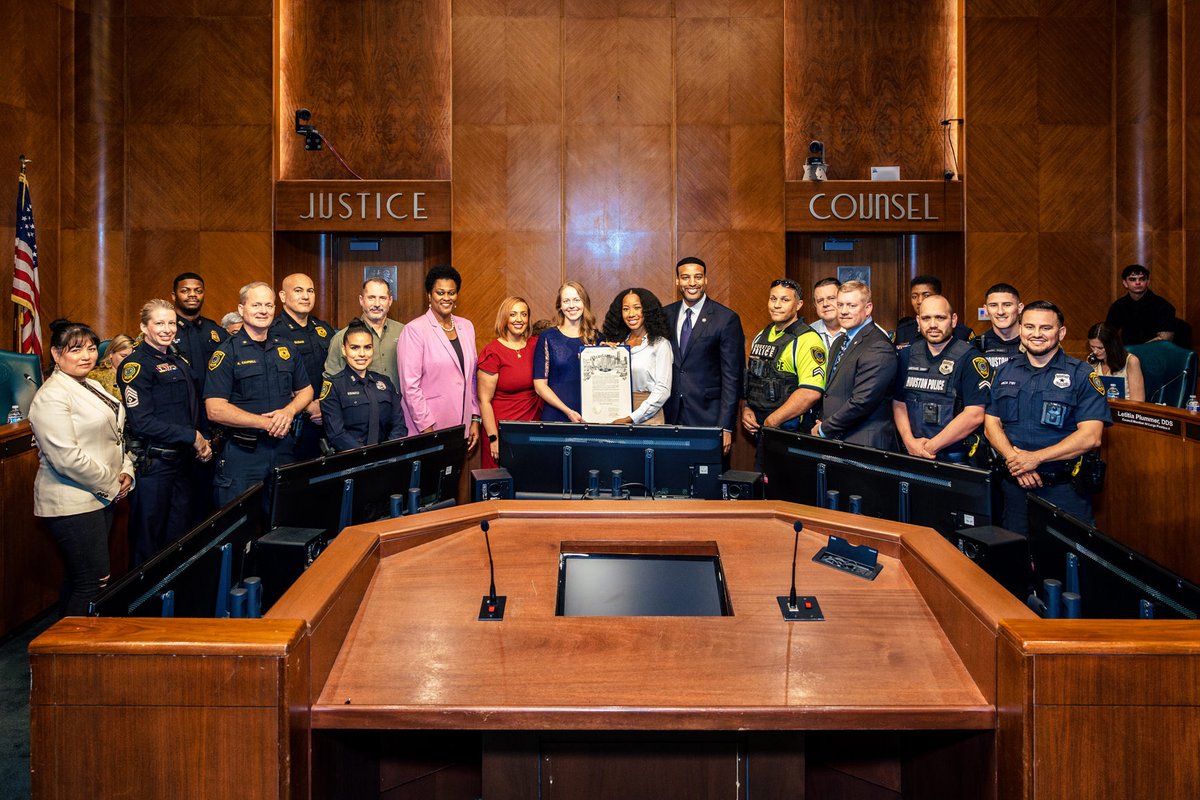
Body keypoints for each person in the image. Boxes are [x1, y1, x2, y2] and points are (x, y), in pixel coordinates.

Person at [28, 319, 135, 615]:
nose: (86, 356)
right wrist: (113, 482)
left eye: (90, 348)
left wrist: (127, 470)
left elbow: (115, 435)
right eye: (75, 350)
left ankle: (61, 651)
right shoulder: (50, 396)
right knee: (93, 582)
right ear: (56, 354)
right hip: (72, 502)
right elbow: (67, 458)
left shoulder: (92, 384)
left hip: (98, 497)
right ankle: (73, 656)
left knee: (81, 580)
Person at [984, 301, 1111, 534]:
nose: (1036, 334)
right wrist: (1017, 462)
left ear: (1061, 332)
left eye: (1045, 328)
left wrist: (1035, 459)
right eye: (1030, 327)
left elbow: (1091, 437)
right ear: (1021, 329)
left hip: (1065, 491)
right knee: (1014, 560)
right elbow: (991, 424)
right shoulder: (1004, 371)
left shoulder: (1082, 375)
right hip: (1014, 487)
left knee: (1067, 565)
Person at [204, 282, 313, 507]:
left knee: (283, 523)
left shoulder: (287, 348)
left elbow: (306, 390)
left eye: (268, 305)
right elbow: (215, 409)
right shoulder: (226, 352)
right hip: (244, 453)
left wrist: (289, 411)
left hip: (284, 450)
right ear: (242, 309)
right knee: (238, 528)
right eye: (256, 305)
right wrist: (264, 423)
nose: (263, 311)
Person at [120, 300, 212, 566]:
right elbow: (142, 423)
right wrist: (192, 437)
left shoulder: (177, 359)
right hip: (155, 467)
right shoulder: (135, 365)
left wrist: (203, 438)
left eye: (171, 323)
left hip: (183, 464)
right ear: (143, 327)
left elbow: (193, 404)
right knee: (147, 546)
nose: (167, 329)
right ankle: (140, 607)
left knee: (178, 541)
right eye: (159, 323)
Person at [893, 296, 992, 462]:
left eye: (940, 317)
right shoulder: (906, 355)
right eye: (926, 318)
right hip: (912, 453)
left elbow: (974, 414)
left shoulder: (970, 358)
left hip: (955, 459)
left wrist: (930, 447)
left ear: (953, 320)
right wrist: (909, 441)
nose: (933, 325)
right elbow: (899, 402)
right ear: (918, 321)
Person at [663, 257, 745, 455]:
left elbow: (732, 377)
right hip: (670, 415)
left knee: (708, 479)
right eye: (686, 277)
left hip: (709, 417)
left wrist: (726, 427)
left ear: (705, 280)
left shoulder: (726, 319)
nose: (692, 283)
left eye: (698, 277)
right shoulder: (666, 315)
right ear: (677, 282)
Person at [741, 279, 826, 468]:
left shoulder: (807, 340)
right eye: (773, 299)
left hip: (792, 436)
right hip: (764, 433)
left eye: (785, 300)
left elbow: (810, 392)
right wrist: (746, 408)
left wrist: (772, 421)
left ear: (799, 304)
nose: (777, 305)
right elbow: (752, 379)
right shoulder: (762, 336)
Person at [397, 264, 481, 450]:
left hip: (461, 427)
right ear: (429, 295)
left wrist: (474, 417)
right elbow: (410, 387)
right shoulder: (414, 330)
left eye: (451, 293)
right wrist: (428, 429)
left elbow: (472, 377)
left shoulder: (466, 327)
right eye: (440, 292)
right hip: (428, 429)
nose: (446, 298)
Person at [813, 280, 898, 448]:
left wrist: (824, 429)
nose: (844, 311)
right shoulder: (840, 341)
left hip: (864, 443)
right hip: (838, 438)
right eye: (840, 305)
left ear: (868, 308)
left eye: (851, 306)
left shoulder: (878, 346)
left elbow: (862, 402)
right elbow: (831, 390)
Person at [269, 273, 333, 460]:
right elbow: (272, 379)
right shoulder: (273, 331)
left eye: (310, 291)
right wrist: (307, 407)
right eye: (298, 291)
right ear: (282, 296)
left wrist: (325, 404)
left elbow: (336, 371)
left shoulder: (323, 329)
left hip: (327, 417)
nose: (305, 296)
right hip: (292, 423)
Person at [319, 319, 407, 451]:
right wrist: (366, 457)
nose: (362, 354)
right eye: (354, 348)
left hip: (387, 457)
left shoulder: (385, 382)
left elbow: (399, 425)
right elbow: (337, 435)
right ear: (344, 350)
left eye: (367, 347)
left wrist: (388, 452)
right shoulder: (334, 386)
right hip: (351, 461)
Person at [477, 296, 542, 468]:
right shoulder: (493, 352)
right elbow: (484, 401)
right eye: (513, 315)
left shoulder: (536, 346)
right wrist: (493, 438)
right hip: (501, 432)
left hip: (531, 432)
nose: (519, 319)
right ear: (504, 318)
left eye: (524, 314)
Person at [600, 287, 673, 425]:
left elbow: (663, 390)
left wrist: (631, 418)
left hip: (649, 417)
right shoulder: (618, 345)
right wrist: (601, 355)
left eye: (637, 308)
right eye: (625, 309)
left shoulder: (661, 345)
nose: (631, 314)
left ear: (647, 311)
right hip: (616, 414)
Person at [533, 281, 601, 423]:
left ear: (584, 303)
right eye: (566, 301)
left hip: (590, 417)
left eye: (576, 300)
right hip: (556, 415)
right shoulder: (548, 337)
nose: (571, 306)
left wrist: (612, 351)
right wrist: (567, 411)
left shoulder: (597, 338)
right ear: (560, 305)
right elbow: (540, 386)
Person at [324, 278, 404, 387]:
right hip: (359, 402)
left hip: (399, 402)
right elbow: (330, 379)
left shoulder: (404, 332)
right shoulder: (342, 337)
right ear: (361, 300)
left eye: (382, 298)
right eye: (371, 298)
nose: (377, 304)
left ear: (390, 301)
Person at [172, 272, 227, 394]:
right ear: (174, 296)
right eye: (185, 291)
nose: (192, 295)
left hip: (210, 401)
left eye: (198, 291)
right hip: (177, 403)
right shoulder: (164, 332)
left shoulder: (217, 332)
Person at [892, 275, 974, 349]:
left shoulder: (962, 333)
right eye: (914, 297)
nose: (919, 301)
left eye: (926, 295)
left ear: (939, 296)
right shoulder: (903, 332)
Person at [1105, 263, 1176, 344]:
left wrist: (1138, 350)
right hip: (1127, 353)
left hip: (1154, 352)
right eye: (1132, 279)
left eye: (1142, 279)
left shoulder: (1164, 306)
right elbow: (1108, 335)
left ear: (1148, 282)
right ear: (1125, 283)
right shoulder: (1118, 306)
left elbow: (1165, 340)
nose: (1138, 282)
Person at [1087, 322, 1145, 402]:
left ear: (1112, 345)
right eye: (1092, 347)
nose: (1095, 351)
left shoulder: (1131, 361)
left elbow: (1138, 401)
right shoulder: (1091, 360)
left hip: (1124, 410)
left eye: (1100, 348)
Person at [975, 283, 1024, 371]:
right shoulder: (975, 346)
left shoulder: (1034, 343)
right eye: (993, 305)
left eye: (1007, 305)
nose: (1000, 312)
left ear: (1020, 308)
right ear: (986, 310)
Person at [87, 333, 135, 399]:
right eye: (123, 356)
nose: (128, 360)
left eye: (132, 357)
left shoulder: (138, 375)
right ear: (111, 354)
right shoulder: (95, 376)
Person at [809, 277, 842, 351]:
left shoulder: (858, 330)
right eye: (820, 300)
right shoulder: (809, 333)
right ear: (815, 304)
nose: (825, 304)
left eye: (831, 298)